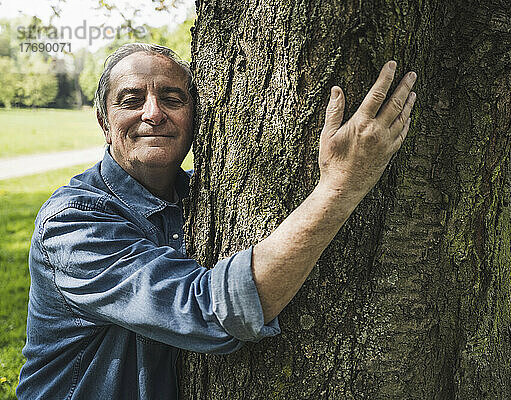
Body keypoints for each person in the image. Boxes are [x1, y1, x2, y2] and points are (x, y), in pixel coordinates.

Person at [16, 43, 417, 399]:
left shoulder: (201, 198)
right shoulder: (73, 224)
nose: (153, 114)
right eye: (131, 99)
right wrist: (340, 186)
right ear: (104, 123)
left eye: (172, 99)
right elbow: (209, 311)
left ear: (196, 121)